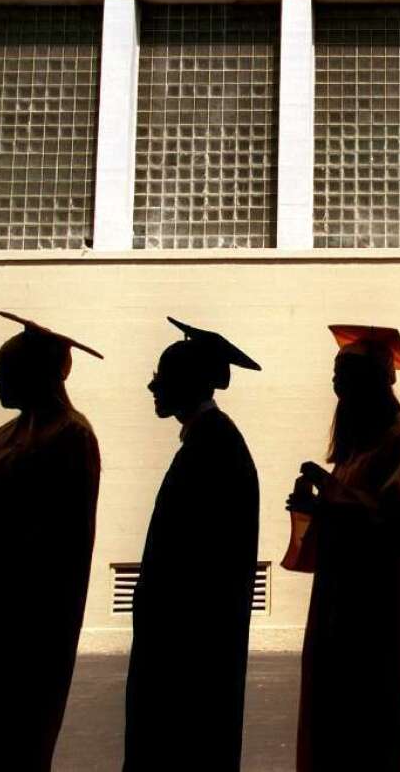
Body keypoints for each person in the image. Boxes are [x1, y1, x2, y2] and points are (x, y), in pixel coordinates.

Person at [0, 311, 103, 772]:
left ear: (37, 374)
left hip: (23, 630)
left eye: (4, 369)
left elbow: (64, 549)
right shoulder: (4, 435)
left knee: (12, 744)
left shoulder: (70, 437)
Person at [288, 325, 400, 772]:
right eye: (335, 372)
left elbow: (390, 521)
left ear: (373, 379)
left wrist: (329, 492)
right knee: (330, 721)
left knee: (366, 725)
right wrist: (315, 506)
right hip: (339, 603)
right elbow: (350, 513)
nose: (335, 382)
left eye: (344, 372)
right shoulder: (358, 447)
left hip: (373, 613)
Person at [123, 317, 261, 771]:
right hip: (191, 643)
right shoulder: (213, 442)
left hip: (188, 649)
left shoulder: (213, 448)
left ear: (188, 382)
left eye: (162, 377)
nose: (152, 386)